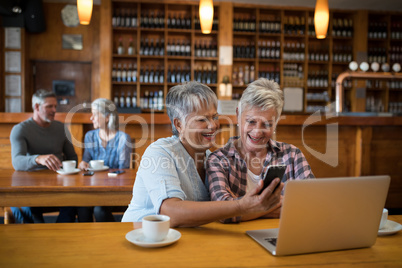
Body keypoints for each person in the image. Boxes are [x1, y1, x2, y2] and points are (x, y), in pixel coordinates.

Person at [122, 81, 283, 227]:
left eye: (215, 117)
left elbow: (226, 210)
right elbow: (171, 212)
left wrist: (255, 208)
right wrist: (243, 207)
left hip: (184, 241)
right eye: (202, 120)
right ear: (179, 124)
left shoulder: (212, 158)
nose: (213, 125)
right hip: (141, 239)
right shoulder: (160, 152)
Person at [206, 78, 315, 223]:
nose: (257, 132)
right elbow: (222, 213)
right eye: (251, 122)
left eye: (267, 124)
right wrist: (283, 203)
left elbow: (312, 203)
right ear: (238, 115)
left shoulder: (293, 155)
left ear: (276, 123)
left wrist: (239, 206)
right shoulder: (218, 160)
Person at [9, 89, 85, 223]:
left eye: (55, 106)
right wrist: (38, 158)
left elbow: (72, 157)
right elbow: (17, 161)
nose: (54, 110)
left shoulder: (60, 128)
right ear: (36, 107)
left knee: (75, 201)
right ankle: (36, 237)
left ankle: (60, 236)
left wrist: (65, 171)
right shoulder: (20, 129)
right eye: (49, 106)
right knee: (22, 205)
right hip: (32, 185)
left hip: (59, 183)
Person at [78, 98, 131, 222]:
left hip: (113, 189)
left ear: (107, 117)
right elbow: (85, 161)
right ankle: (86, 240)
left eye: (95, 114)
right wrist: (82, 164)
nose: (91, 118)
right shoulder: (90, 136)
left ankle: (111, 238)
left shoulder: (123, 138)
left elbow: (124, 170)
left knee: (99, 210)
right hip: (92, 187)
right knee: (82, 206)